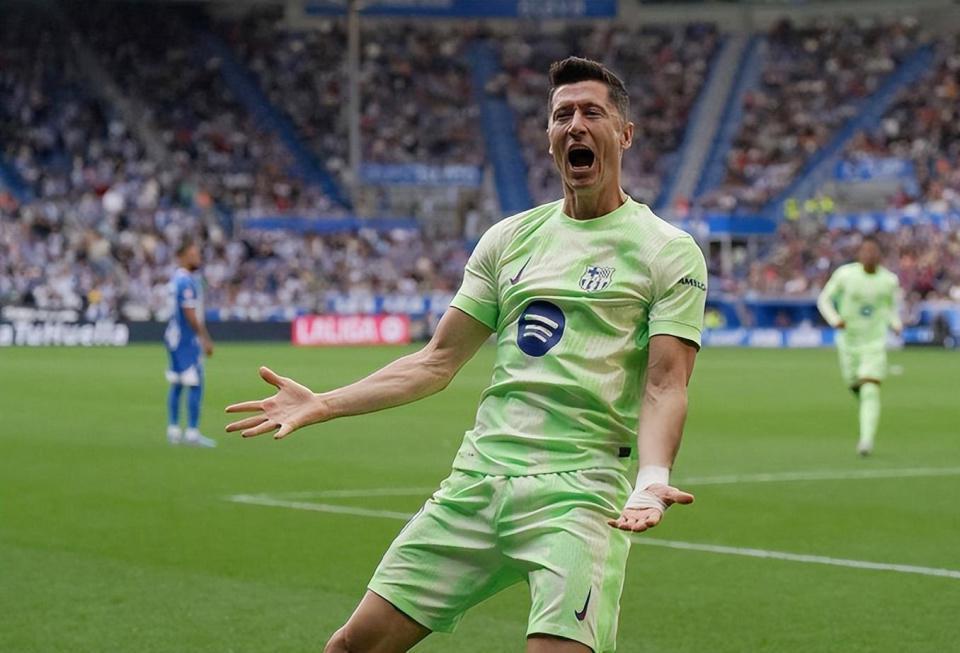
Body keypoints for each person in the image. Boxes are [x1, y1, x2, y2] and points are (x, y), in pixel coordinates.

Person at [226, 57, 707, 653]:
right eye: (562, 115)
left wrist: (652, 481)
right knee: (351, 647)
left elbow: (665, 383)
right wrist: (324, 403)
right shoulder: (509, 239)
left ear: (625, 134)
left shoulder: (666, 250)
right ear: (549, 137)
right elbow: (435, 361)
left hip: (579, 494)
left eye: (592, 113)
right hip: (477, 482)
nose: (575, 125)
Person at [817, 236, 902, 456]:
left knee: (870, 388)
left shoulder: (889, 280)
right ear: (859, 254)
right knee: (856, 386)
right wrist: (835, 319)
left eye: (873, 251)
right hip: (848, 342)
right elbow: (824, 299)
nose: (869, 255)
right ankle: (868, 413)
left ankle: (866, 441)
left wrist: (896, 323)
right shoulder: (845, 275)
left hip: (874, 342)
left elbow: (890, 307)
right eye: (865, 251)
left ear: (880, 255)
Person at [165, 240, 216, 448]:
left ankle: (173, 430)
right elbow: (190, 314)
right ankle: (192, 432)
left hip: (174, 338)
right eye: (193, 254)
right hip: (186, 340)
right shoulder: (186, 282)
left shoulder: (176, 279)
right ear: (183, 256)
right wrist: (205, 338)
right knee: (196, 382)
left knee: (177, 382)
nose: (198, 258)